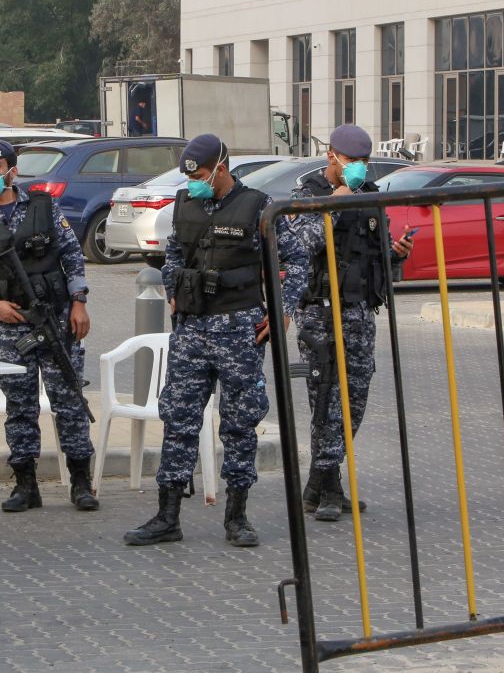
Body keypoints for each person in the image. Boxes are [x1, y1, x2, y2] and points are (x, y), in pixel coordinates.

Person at [124, 134, 309, 548]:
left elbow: (297, 261)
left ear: (221, 169)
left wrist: (283, 309)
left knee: (240, 422)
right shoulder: (185, 204)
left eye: (202, 176)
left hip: (239, 328)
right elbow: (172, 254)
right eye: (191, 178)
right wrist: (172, 286)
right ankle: (167, 516)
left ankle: (237, 517)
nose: (195, 184)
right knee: (178, 419)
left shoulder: (258, 206)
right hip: (192, 328)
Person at [0, 139, 99, 513]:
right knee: (19, 405)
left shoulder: (43, 208)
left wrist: (79, 303)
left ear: (13, 171)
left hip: (54, 318)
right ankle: (25, 484)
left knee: (68, 400)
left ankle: (81, 482)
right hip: (9, 325)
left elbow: (71, 255)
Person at [290, 124, 413, 522]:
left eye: (364, 161)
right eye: (353, 161)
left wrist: (397, 253)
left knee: (352, 405)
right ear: (332, 157)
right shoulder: (306, 194)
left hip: (360, 313)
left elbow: (378, 259)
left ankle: (318, 483)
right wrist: (331, 206)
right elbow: (296, 248)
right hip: (320, 314)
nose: (359, 169)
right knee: (324, 401)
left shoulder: (370, 198)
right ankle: (327, 489)